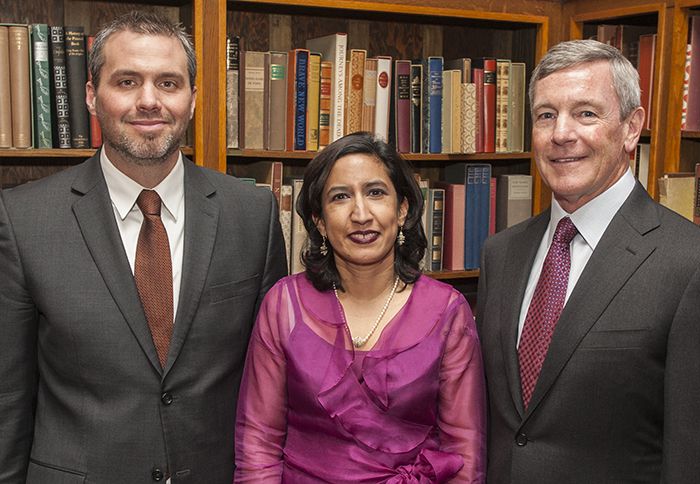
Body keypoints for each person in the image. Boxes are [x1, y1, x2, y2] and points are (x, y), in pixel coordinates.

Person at [0, 11, 287, 484]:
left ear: (193, 100)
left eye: (169, 83)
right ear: (92, 95)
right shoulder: (23, 220)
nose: (149, 101)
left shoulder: (252, 215)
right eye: (127, 81)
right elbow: (9, 400)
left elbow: (272, 386)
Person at [477, 39, 700, 483]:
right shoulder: (501, 254)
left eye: (586, 113)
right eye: (546, 115)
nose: (562, 133)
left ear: (630, 128)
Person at [234, 132, 486, 483]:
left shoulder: (447, 311)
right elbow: (258, 446)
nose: (361, 214)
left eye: (376, 193)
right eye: (340, 197)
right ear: (320, 221)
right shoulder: (283, 305)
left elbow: (465, 453)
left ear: (402, 209)